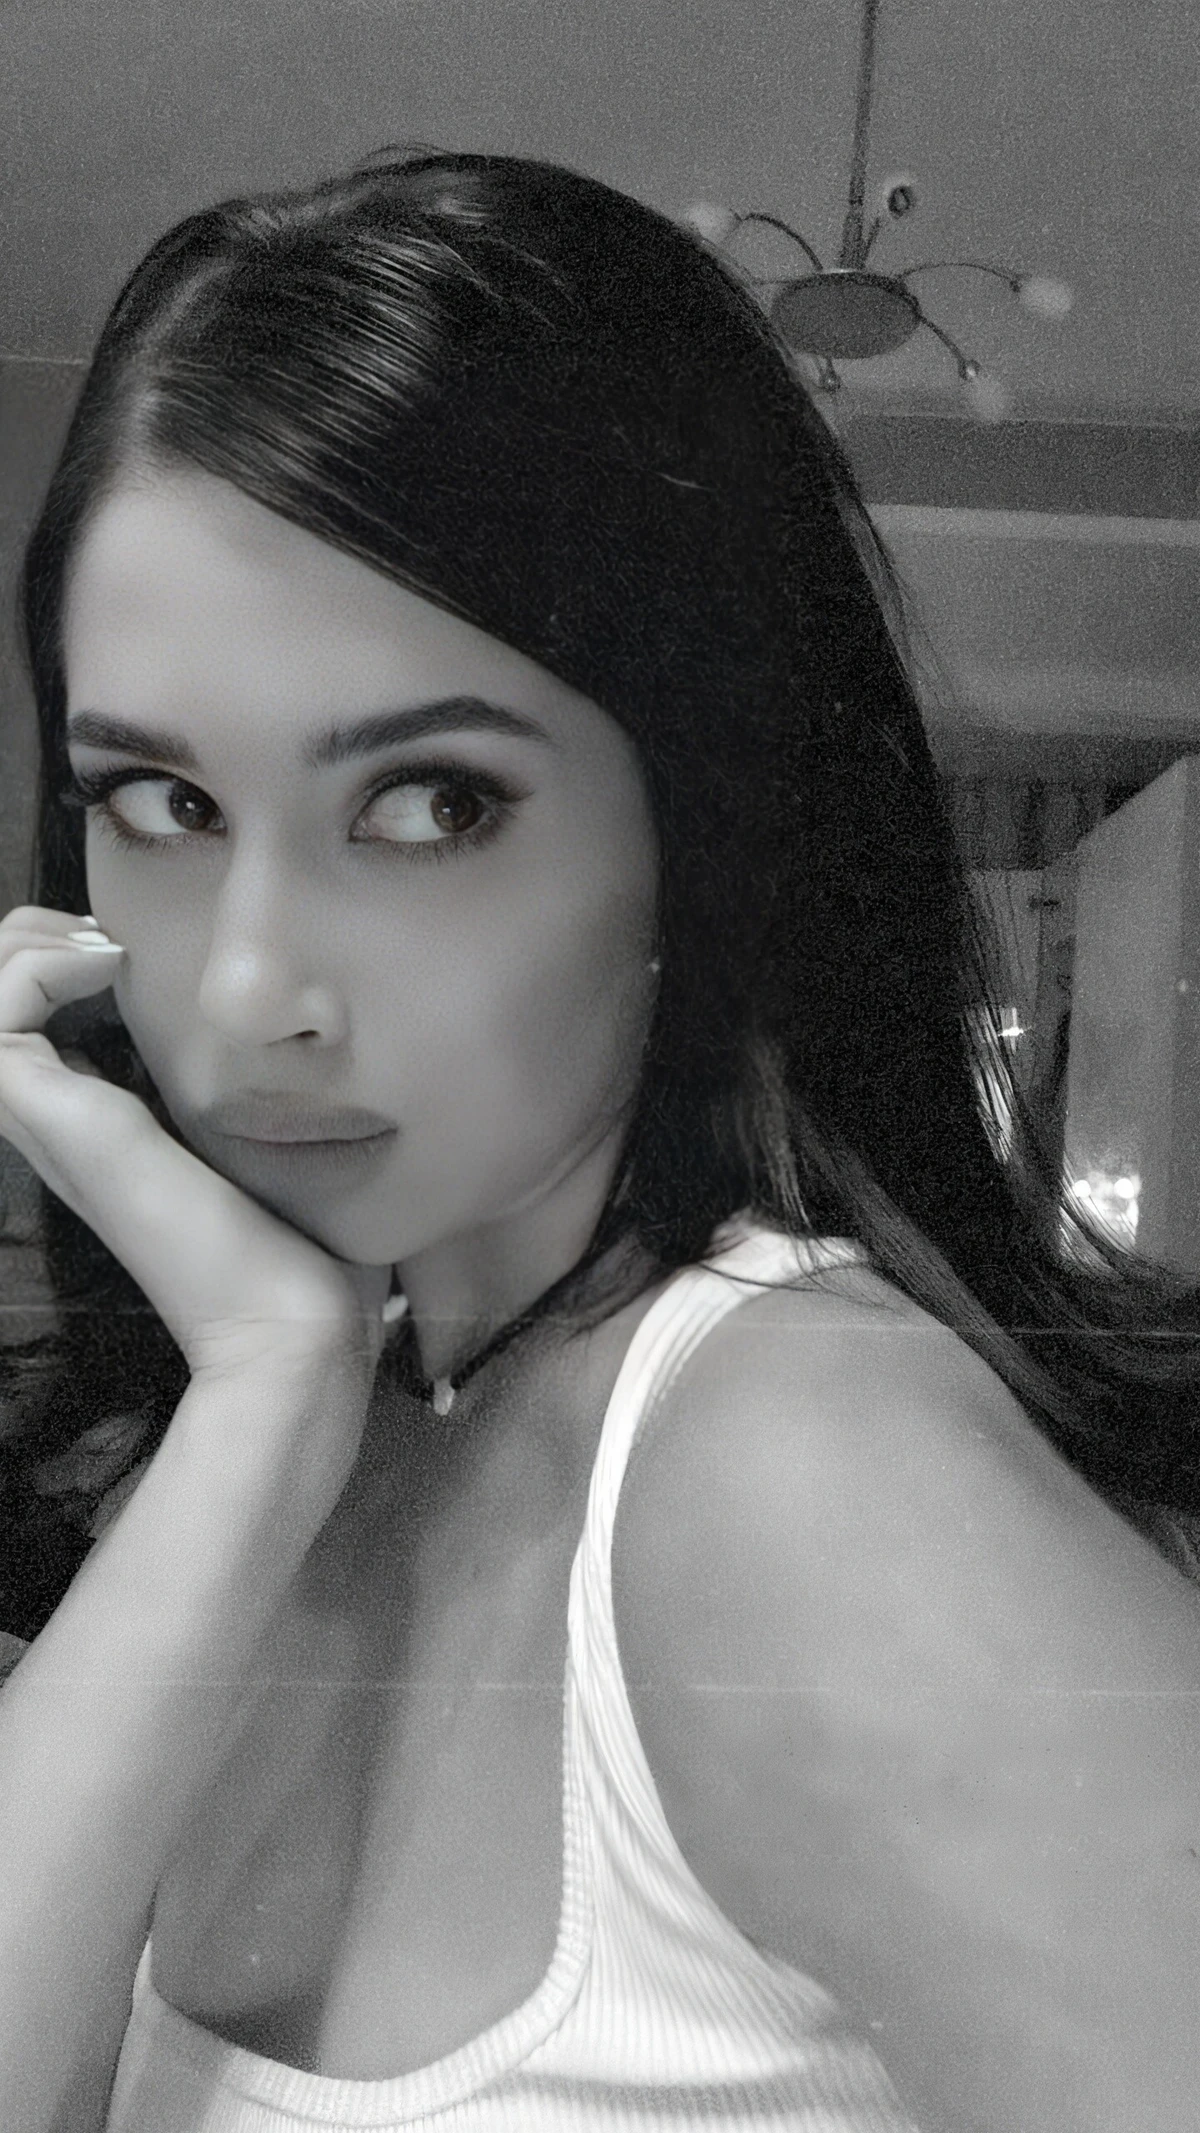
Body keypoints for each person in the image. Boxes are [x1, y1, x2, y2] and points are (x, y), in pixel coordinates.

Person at [0, 150, 1198, 2133]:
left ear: (696, 827)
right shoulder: (325, 1401)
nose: (245, 993)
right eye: (165, 805)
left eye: (430, 805)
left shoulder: (810, 1476)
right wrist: (265, 1390)